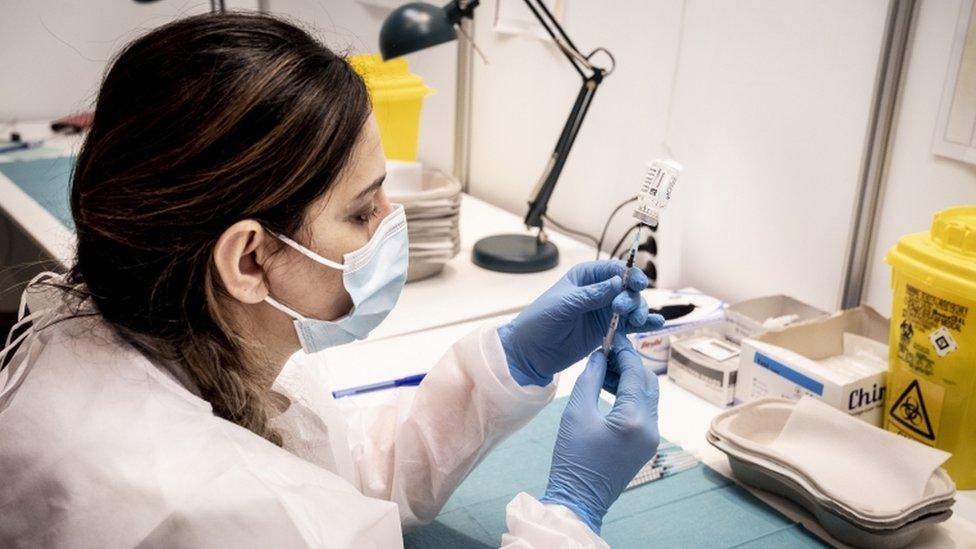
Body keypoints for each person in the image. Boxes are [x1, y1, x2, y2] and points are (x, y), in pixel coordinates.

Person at [0, 13, 664, 548]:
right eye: (360, 208)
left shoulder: (147, 321)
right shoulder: (214, 509)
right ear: (250, 260)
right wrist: (569, 515)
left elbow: (330, 474)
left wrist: (508, 363)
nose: (389, 222)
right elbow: (293, 511)